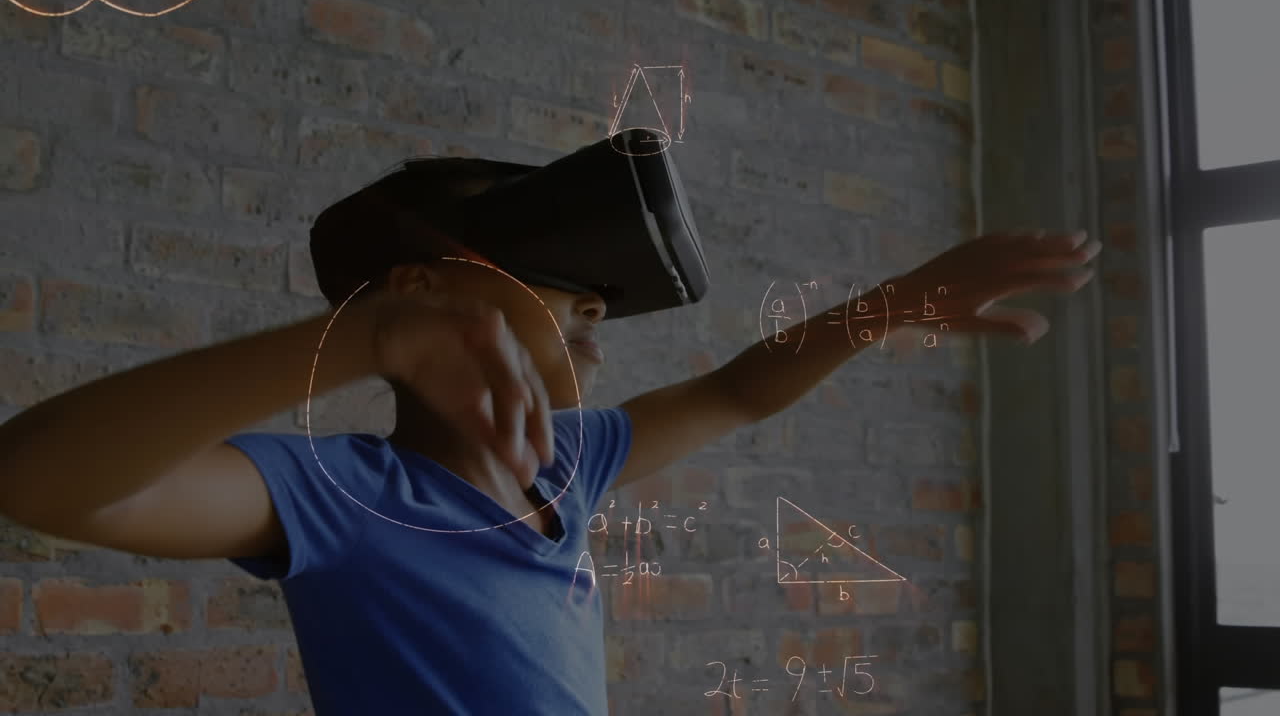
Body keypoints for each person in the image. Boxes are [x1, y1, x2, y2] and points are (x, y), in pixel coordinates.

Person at [0, 154, 1100, 715]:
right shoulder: (340, 495)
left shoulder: (568, 468)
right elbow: (41, 481)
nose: (596, 331)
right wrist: (366, 336)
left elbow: (739, 391)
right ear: (427, 291)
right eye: (571, 300)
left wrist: (888, 304)